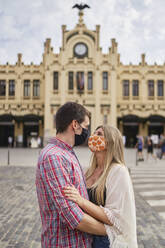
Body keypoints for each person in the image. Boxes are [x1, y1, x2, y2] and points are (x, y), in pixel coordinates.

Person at [35, 102, 107, 248]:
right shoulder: (54, 156)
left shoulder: (67, 152)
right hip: (66, 243)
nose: (88, 132)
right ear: (75, 124)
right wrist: (109, 230)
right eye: (86, 127)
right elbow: (73, 216)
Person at [64, 125, 138, 248]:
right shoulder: (90, 171)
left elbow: (114, 218)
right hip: (87, 237)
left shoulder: (118, 171)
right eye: (94, 133)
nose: (93, 136)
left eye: (99, 134)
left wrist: (81, 201)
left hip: (105, 241)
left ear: (110, 142)